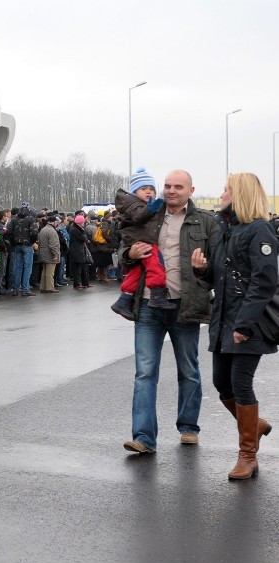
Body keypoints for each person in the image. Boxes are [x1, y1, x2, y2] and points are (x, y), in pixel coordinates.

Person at [120, 169, 219, 454]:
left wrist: (205, 268)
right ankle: (143, 438)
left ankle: (188, 427)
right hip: (149, 305)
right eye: (167, 186)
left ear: (191, 190)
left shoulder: (205, 222)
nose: (171, 190)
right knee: (144, 373)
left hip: (184, 305)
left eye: (178, 186)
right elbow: (121, 253)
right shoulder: (147, 215)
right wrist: (129, 254)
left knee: (188, 370)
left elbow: (218, 269)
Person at [191, 172, 277, 479]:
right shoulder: (224, 230)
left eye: (227, 189)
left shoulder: (260, 230)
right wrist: (201, 271)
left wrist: (244, 324)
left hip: (248, 322)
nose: (222, 193)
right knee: (220, 383)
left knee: (241, 383)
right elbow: (220, 277)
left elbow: (264, 282)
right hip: (223, 319)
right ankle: (256, 425)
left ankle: (247, 455)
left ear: (239, 193)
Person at [111, 168, 176, 320]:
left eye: (152, 189)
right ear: (134, 191)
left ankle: (124, 300)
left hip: (138, 240)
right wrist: (151, 209)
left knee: (136, 271)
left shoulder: (137, 204)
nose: (149, 192)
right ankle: (157, 294)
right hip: (142, 241)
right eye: (143, 188)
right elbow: (140, 217)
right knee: (156, 264)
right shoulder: (134, 204)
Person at [38, 215, 61, 294]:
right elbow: (53, 245)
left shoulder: (43, 229)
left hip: (43, 252)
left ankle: (43, 287)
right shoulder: (52, 231)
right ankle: (49, 288)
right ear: (54, 222)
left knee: (44, 271)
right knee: (50, 272)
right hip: (50, 254)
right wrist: (55, 254)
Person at [67, 215, 91, 289]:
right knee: (77, 269)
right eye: (83, 222)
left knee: (83, 268)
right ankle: (77, 283)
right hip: (76, 251)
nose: (83, 224)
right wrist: (84, 235)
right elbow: (82, 238)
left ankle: (85, 283)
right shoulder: (74, 230)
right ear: (80, 223)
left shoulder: (78, 229)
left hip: (80, 250)